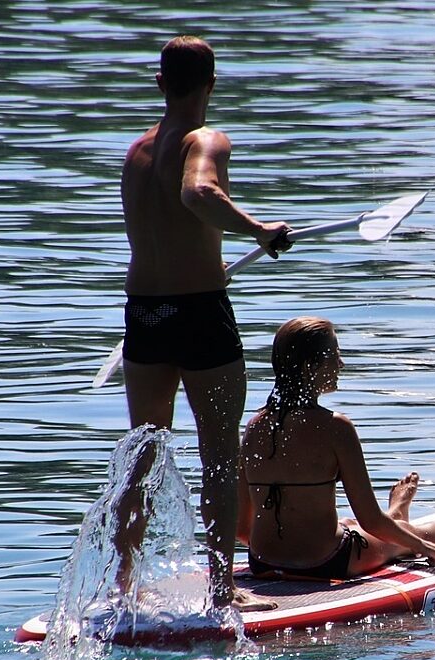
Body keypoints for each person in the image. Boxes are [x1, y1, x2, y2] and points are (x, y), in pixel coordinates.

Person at [117, 35, 290, 611]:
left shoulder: (136, 153)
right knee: (219, 453)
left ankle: (122, 586)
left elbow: (159, 233)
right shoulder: (206, 139)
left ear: (159, 82)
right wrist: (260, 230)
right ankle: (222, 590)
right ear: (212, 84)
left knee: (142, 453)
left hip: (144, 314)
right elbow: (197, 191)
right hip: (197, 314)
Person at [237, 317, 435, 580]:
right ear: (309, 367)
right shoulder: (336, 428)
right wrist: (420, 546)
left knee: (348, 524)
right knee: (405, 535)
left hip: (262, 561)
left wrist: (284, 549)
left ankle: (394, 514)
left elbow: (241, 529)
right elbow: (370, 520)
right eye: (334, 356)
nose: (341, 363)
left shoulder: (255, 426)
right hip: (326, 562)